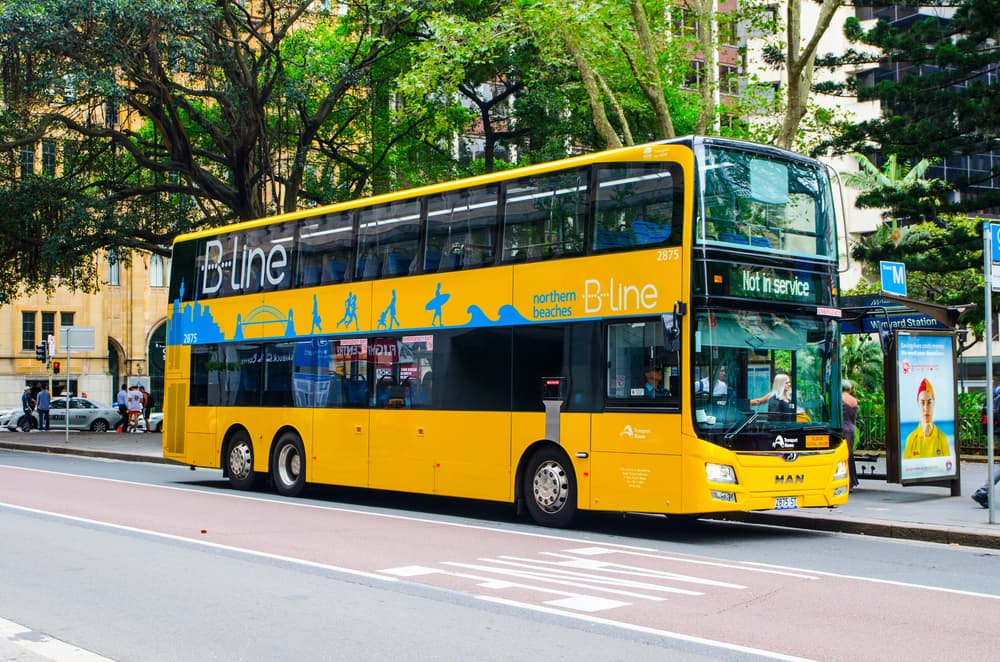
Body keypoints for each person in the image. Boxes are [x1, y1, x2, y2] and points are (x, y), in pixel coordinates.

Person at [903, 378, 950, 459]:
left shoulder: (942, 438)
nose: (926, 408)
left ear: (934, 403)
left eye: (929, 402)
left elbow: (948, 466)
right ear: (918, 404)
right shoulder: (911, 439)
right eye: (922, 403)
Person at [841, 380, 859, 489]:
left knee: (844, 455)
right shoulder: (854, 400)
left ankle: (847, 480)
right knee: (850, 454)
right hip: (851, 428)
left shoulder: (840, 398)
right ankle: (852, 480)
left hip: (843, 428)